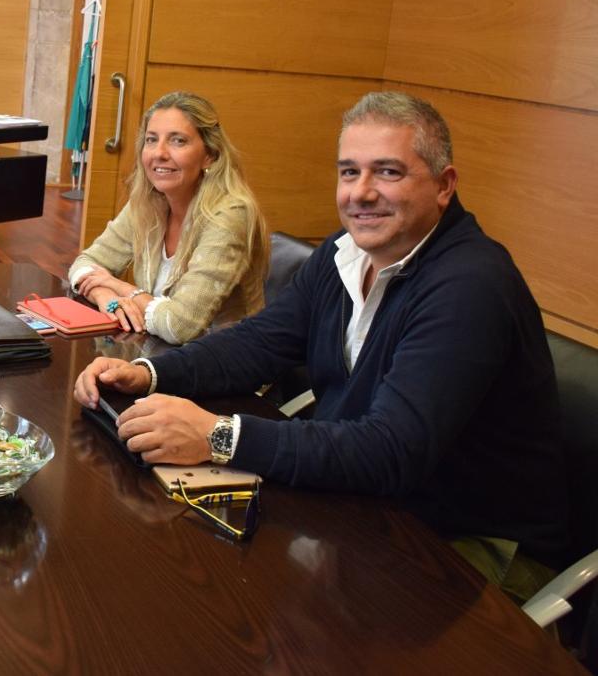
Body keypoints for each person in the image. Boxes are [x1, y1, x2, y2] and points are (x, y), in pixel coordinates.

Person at [73, 91, 565, 597]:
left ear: (444, 186)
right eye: (349, 172)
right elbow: (260, 343)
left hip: (470, 545)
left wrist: (218, 436)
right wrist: (152, 374)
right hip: (369, 503)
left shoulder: (470, 286)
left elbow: (389, 451)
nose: (362, 193)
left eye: (388, 172)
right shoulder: (344, 251)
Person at [69, 91, 269, 343]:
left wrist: (120, 288)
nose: (159, 153)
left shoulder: (230, 215)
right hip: (162, 353)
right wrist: (104, 296)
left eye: (178, 141)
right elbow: (85, 263)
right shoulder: (148, 200)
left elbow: (180, 325)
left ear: (210, 154)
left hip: (226, 367)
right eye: (151, 140)